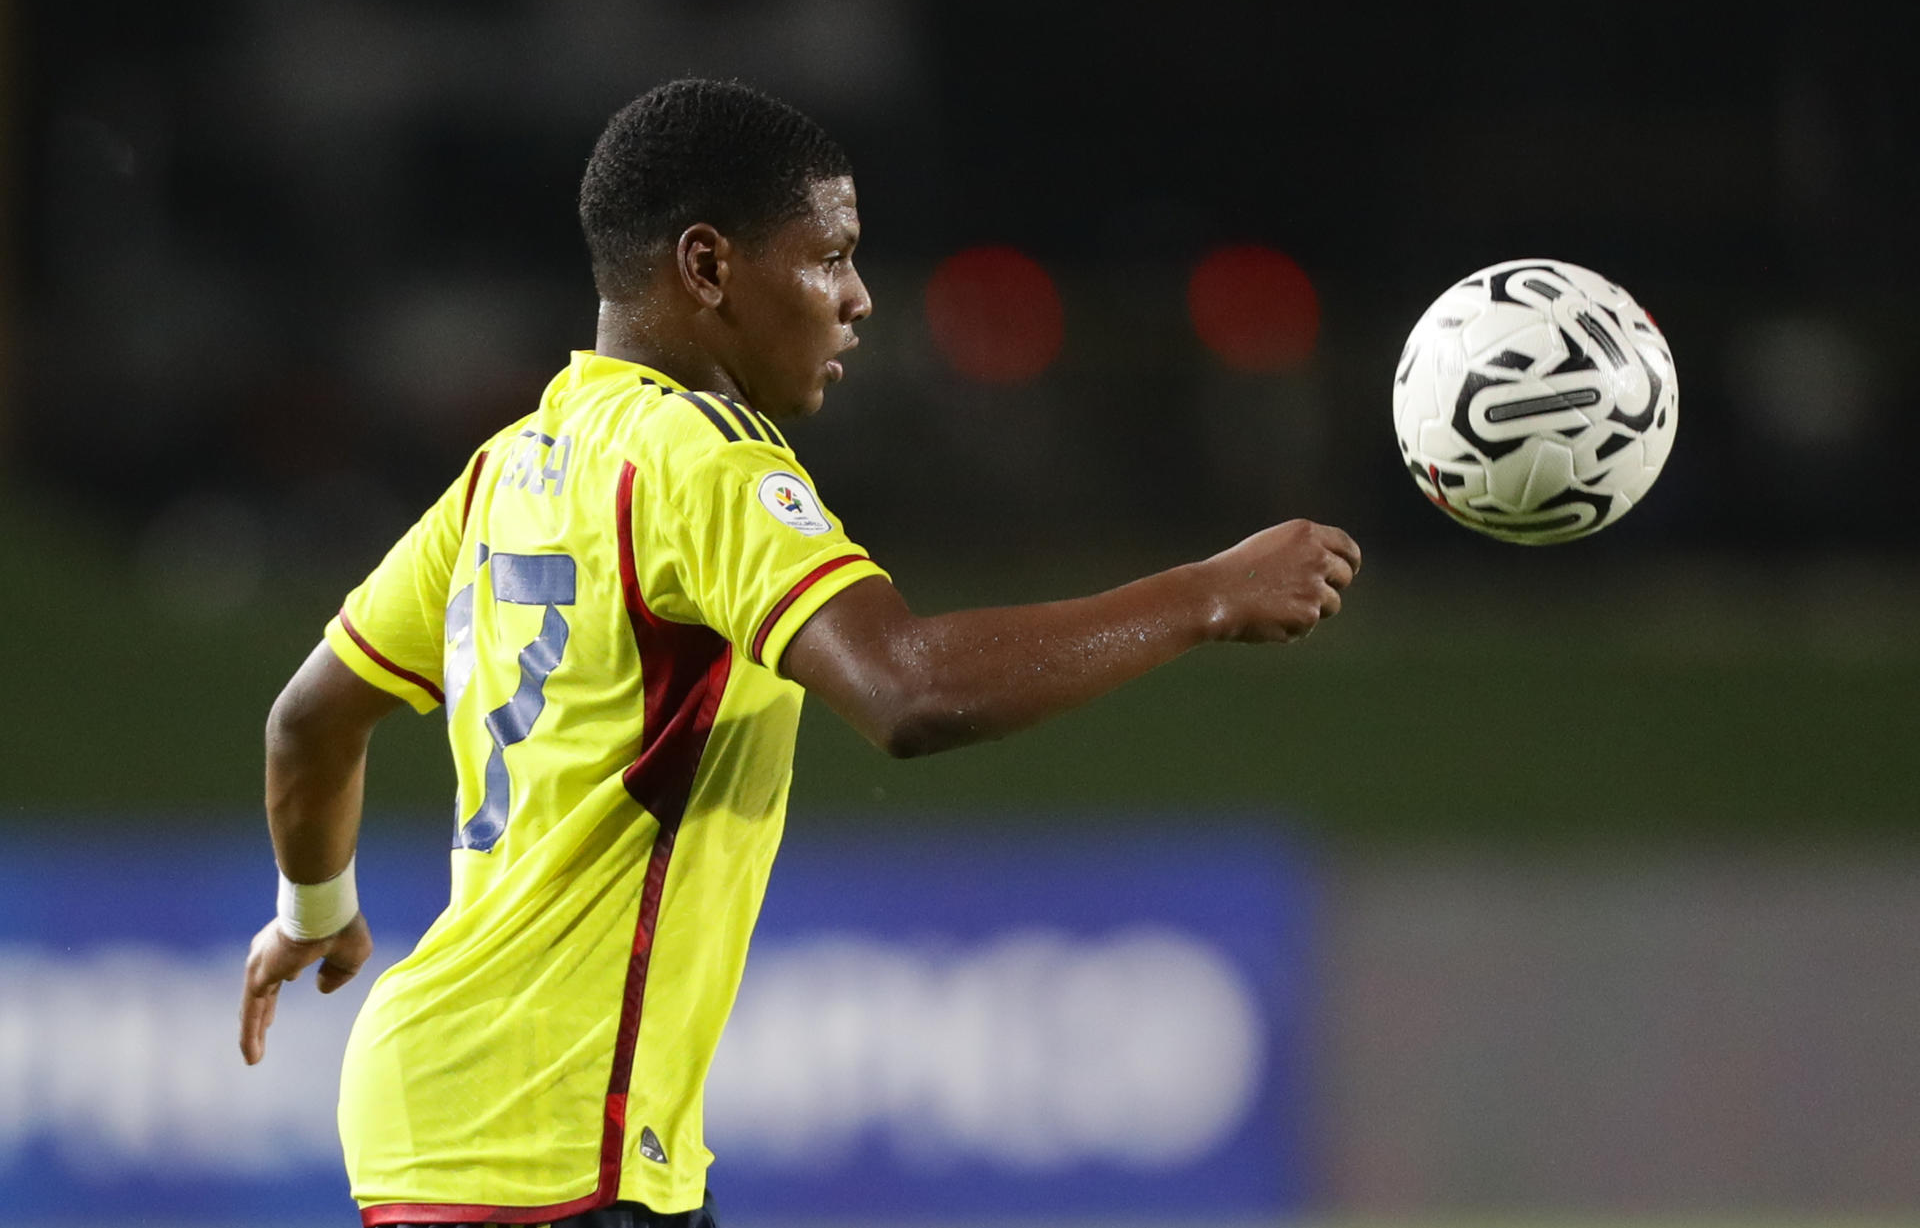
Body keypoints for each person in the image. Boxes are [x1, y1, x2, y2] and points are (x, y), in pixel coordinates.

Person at [238, 77, 1360, 1228]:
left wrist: (312, 911)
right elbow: (909, 691)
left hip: (470, 1118)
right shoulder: (702, 458)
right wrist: (1205, 596)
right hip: (549, 1135)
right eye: (830, 257)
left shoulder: (509, 469)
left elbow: (308, 722)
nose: (860, 299)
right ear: (710, 267)